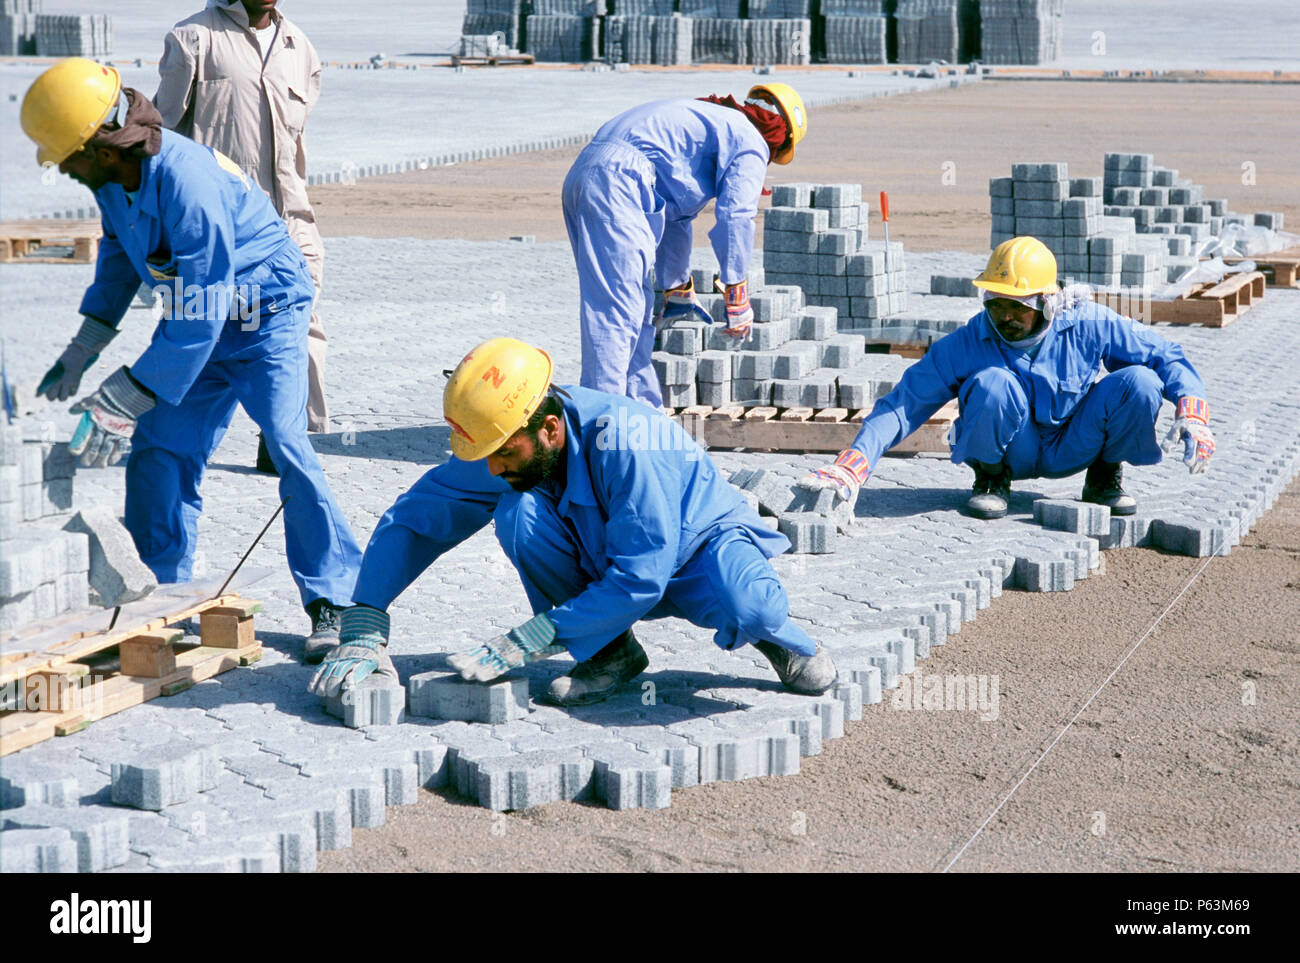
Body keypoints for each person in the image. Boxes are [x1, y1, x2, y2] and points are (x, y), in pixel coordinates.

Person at [22, 58, 361, 654]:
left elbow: (204, 307)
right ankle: (158, 591)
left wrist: (129, 390)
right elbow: (122, 259)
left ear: (99, 147)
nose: (65, 172)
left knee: (285, 443)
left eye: (66, 158)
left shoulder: (188, 181)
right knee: (160, 446)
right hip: (198, 318)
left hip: (265, 313)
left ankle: (336, 599)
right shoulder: (113, 180)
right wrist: (85, 347)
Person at [307, 337, 837, 707]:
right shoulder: (512, 441)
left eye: (502, 453)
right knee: (518, 512)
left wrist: (536, 635)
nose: (492, 468)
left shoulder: (626, 442)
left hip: (698, 551)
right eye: (486, 453)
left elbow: (642, 578)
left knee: (753, 605)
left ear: (552, 429)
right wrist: (365, 618)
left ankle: (777, 641)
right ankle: (610, 652)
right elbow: (417, 518)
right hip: (610, 550)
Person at [799, 236, 1215, 519]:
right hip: (1012, 453)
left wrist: (1192, 411)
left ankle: (1105, 477)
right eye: (997, 304)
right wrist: (854, 464)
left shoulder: (1089, 322)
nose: (1006, 317)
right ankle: (992, 481)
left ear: (1047, 302)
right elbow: (902, 406)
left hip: (1076, 444)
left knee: (1141, 382)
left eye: (1019, 306)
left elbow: (1166, 355)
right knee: (992, 382)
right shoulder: (967, 342)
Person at [154, 0, 329, 475]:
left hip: (288, 218)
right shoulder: (193, 39)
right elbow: (161, 135)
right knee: (206, 324)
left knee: (301, 319)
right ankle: (175, 440)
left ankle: (285, 439)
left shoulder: (301, 49)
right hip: (221, 220)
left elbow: (296, 145)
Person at [562, 84, 808, 408]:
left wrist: (675, 287)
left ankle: (643, 417)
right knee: (616, 312)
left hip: (587, 174)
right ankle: (599, 425)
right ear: (779, 138)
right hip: (619, 184)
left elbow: (673, 218)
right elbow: (737, 216)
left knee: (632, 308)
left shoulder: (711, 122)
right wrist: (737, 296)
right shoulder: (750, 140)